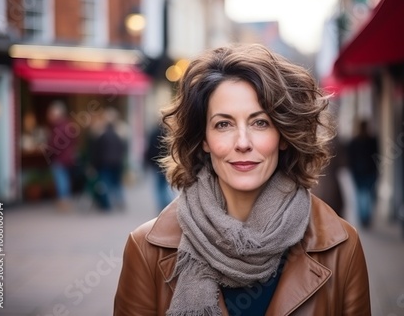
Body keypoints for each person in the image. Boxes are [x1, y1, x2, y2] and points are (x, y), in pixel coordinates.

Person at [114, 44, 371, 315]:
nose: (243, 143)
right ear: (204, 139)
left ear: (283, 136)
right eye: (223, 124)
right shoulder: (146, 249)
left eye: (260, 123)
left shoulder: (340, 247)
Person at [88, 107, 128, 211]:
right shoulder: (120, 133)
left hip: (105, 163)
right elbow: (123, 150)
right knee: (117, 184)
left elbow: (97, 152)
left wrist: (94, 165)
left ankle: (107, 204)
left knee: (105, 184)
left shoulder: (101, 134)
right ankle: (119, 202)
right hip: (117, 163)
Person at [45, 101, 77, 211]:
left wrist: (48, 149)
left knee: (61, 179)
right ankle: (65, 201)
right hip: (68, 157)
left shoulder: (58, 128)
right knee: (65, 179)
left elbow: (54, 144)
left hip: (60, 158)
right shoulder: (69, 125)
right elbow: (75, 140)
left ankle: (63, 202)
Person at [347, 120, 379, 228]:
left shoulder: (354, 141)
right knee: (367, 194)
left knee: (360, 194)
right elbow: (377, 156)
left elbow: (350, 158)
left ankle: (363, 217)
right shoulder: (372, 140)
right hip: (369, 171)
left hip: (358, 171)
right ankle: (366, 217)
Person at [145, 122, 175, 213]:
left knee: (158, 186)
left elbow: (149, 148)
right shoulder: (169, 133)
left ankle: (161, 206)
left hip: (156, 163)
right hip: (167, 163)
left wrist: (148, 161)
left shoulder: (153, 133)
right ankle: (168, 204)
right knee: (166, 185)